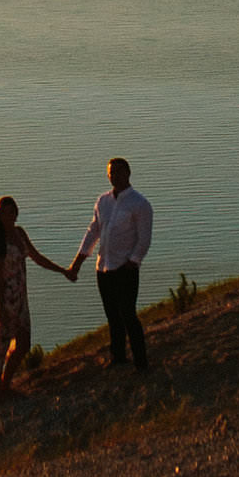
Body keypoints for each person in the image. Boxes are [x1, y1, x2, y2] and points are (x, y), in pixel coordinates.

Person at [0, 194, 65, 405]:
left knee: (23, 345)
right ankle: (1, 388)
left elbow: (37, 257)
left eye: (13, 212)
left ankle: (4, 383)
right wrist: (1, 308)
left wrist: (62, 271)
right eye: (6, 213)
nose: (10, 216)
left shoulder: (20, 234)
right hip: (7, 300)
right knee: (0, 348)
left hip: (21, 297)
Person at [72, 156, 153, 371]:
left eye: (118, 172)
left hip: (125, 268)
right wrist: (78, 261)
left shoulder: (139, 203)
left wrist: (133, 261)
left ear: (128, 173)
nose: (114, 176)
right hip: (104, 267)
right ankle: (118, 357)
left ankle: (141, 361)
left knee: (128, 314)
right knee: (112, 315)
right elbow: (93, 232)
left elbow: (144, 238)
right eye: (111, 173)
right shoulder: (103, 201)